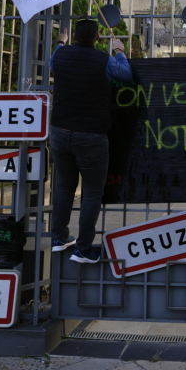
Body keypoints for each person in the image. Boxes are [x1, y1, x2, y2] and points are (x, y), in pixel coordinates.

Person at [50, 19, 132, 263]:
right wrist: (118, 51)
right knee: (92, 192)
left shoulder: (61, 55)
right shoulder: (104, 60)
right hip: (91, 136)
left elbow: (53, 61)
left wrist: (59, 42)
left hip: (60, 132)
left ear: (74, 35)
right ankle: (83, 249)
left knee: (64, 186)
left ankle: (58, 237)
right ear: (98, 38)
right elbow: (125, 76)